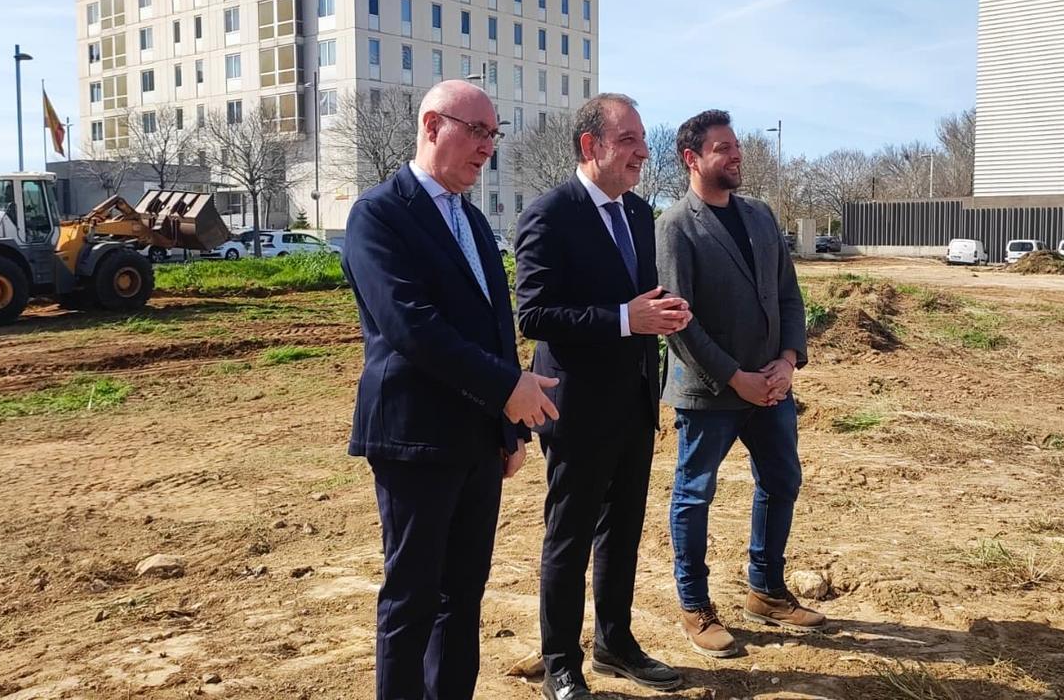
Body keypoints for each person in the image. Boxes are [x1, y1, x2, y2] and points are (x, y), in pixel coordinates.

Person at [341, 80, 560, 700]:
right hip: (414, 438)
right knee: (412, 597)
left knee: (463, 596)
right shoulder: (380, 214)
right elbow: (412, 327)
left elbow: (495, 324)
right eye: (478, 131)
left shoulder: (471, 218)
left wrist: (507, 429)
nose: (488, 147)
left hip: (475, 440)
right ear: (433, 126)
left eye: (495, 134)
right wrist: (507, 390)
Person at [515, 93, 691, 700]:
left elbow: (637, 298)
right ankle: (561, 662)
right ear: (591, 146)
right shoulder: (549, 215)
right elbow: (534, 314)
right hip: (577, 408)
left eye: (645, 141)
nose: (644, 152)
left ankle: (615, 640)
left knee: (623, 530)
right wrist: (624, 318)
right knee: (569, 535)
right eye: (631, 141)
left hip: (635, 404)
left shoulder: (640, 213)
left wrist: (661, 312)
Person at [655, 109, 825, 660]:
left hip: (771, 387)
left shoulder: (760, 216)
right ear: (692, 159)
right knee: (694, 495)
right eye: (723, 148)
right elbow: (678, 321)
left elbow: (788, 295)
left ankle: (767, 590)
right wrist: (735, 378)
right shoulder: (675, 226)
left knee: (781, 482)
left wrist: (787, 359)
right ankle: (694, 605)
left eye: (737, 147)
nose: (736, 155)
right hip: (709, 393)